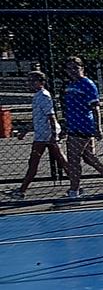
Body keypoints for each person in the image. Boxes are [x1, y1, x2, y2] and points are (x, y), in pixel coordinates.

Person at [61, 57, 103, 201]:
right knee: (89, 158)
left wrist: (98, 128)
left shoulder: (87, 84)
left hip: (82, 126)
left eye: (75, 68)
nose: (72, 71)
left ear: (82, 68)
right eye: (69, 68)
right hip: (73, 125)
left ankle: (74, 191)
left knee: (73, 160)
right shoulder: (70, 85)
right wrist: (65, 126)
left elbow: (95, 107)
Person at [7, 70, 69, 198]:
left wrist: (54, 134)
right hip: (42, 133)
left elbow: (51, 116)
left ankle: (22, 190)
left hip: (45, 134)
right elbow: (37, 118)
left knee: (35, 161)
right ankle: (76, 184)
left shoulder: (44, 96)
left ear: (41, 82)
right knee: (60, 160)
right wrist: (25, 130)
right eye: (28, 81)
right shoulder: (37, 96)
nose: (29, 83)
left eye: (32, 81)